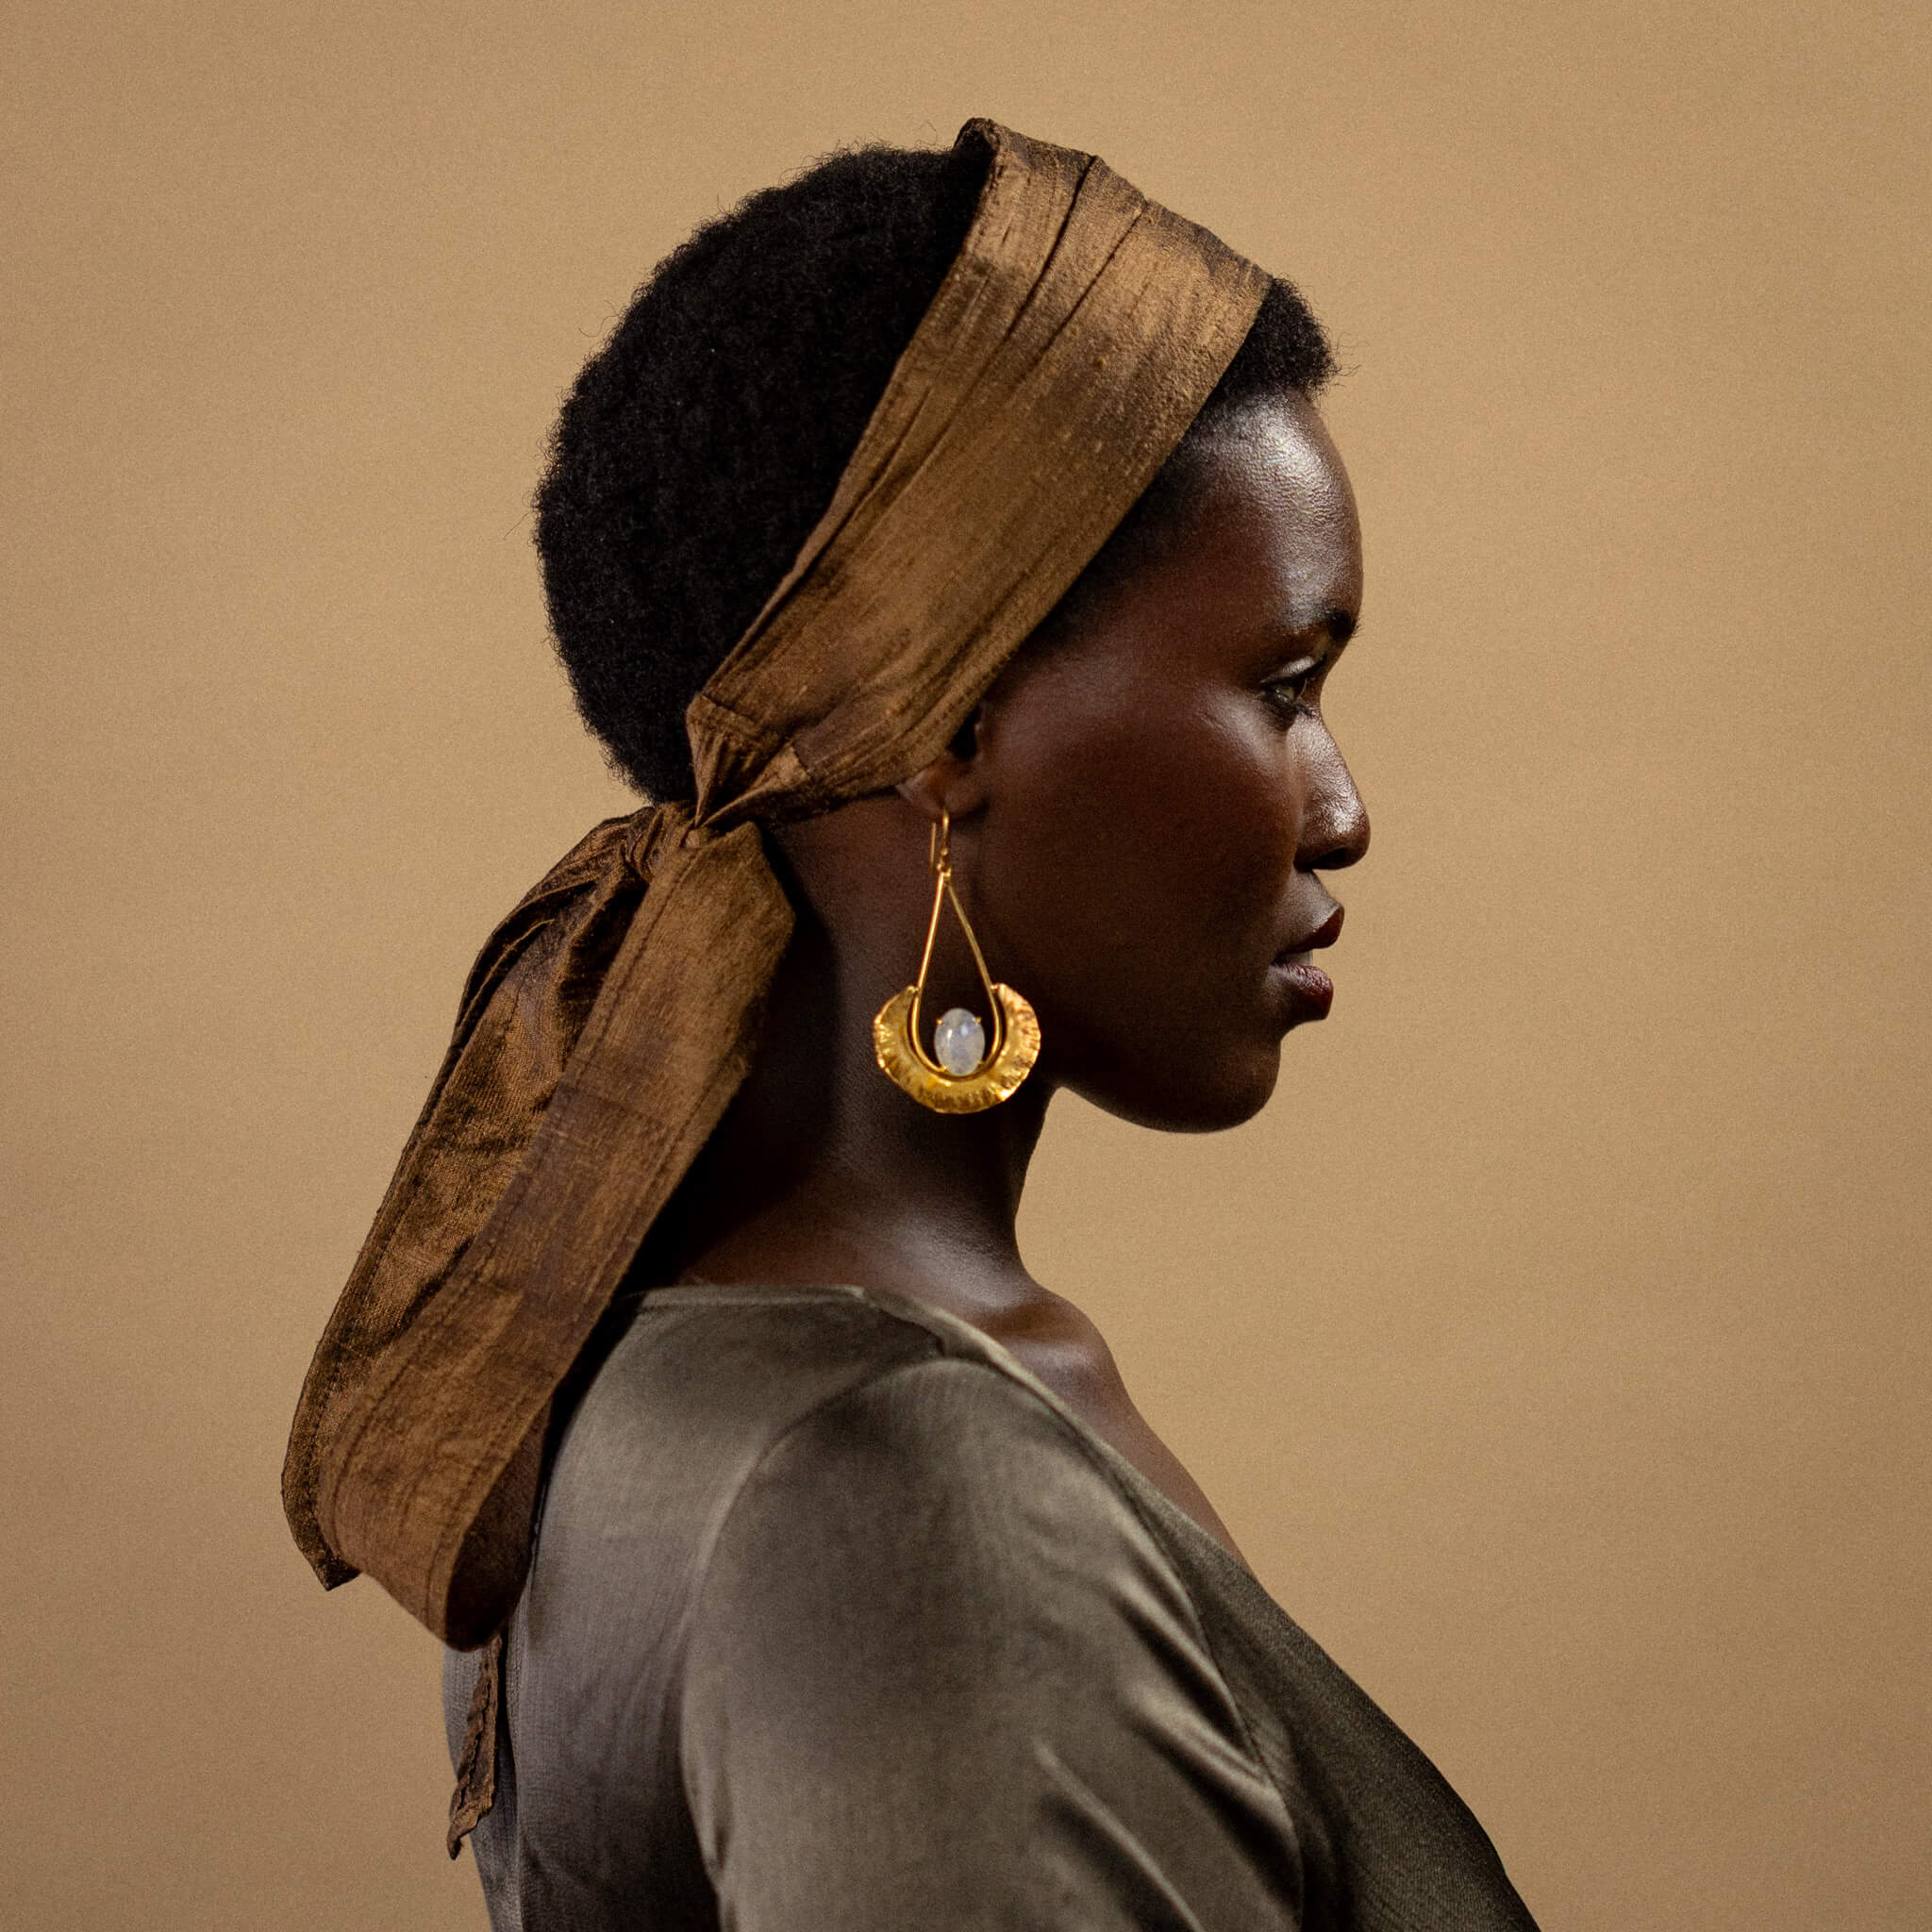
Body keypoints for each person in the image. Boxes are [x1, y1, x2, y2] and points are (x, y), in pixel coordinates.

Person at [285, 120, 1541, 1929]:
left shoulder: (639, 1360)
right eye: (1282, 688)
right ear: (950, 725)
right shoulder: (894, 1495)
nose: (1340, 811)